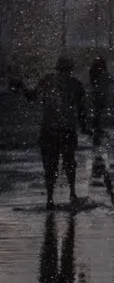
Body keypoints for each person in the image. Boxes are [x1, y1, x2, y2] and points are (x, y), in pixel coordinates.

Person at [10, 58, 86, 206]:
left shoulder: (47, 80)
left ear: (57, 68)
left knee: (50, 164)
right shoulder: (76, 85)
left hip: (49, 129)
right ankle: (72, 193)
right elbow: (82, 110)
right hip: (67, 129)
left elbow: (32, 97)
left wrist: (20, 86)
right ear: (70, 68)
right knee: (69, 162)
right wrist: (85, 127)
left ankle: (50, 198)